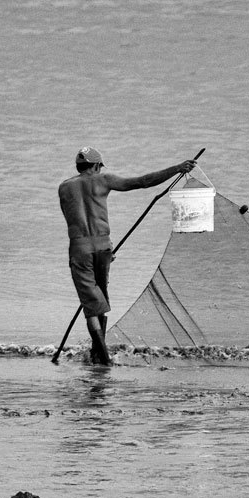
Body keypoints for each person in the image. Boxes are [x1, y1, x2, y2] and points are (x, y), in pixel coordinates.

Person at [58, 147, 196, 365]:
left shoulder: (64, 188)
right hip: (104, 246)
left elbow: (71, 218)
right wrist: (177, 169)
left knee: (91, 305)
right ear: (96, 166)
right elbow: (142, 182)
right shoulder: (104, 180)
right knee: (101, 298)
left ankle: (101, 356)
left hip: (80, 249)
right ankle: (101, 357)